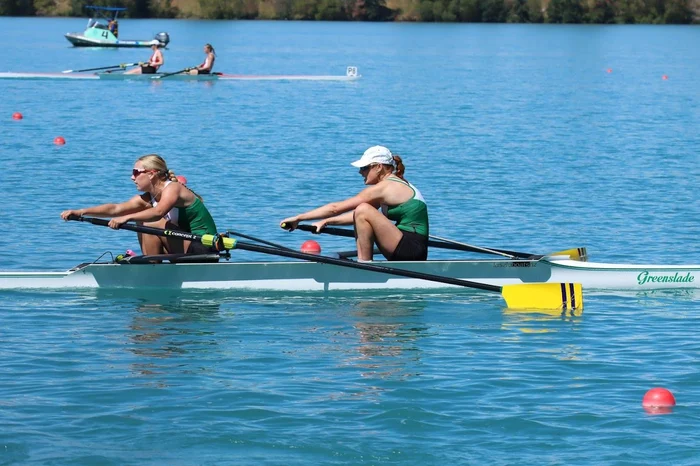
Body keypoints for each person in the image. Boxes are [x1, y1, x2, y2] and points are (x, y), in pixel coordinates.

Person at [280, 146, 429, 262]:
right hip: (407, 245)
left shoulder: (386, 187)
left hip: (412, 249)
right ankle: (365, 264)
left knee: (363, 209)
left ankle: (364, 265)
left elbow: (335, 208)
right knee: (363, 210)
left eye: (364, 168)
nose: (360, 172)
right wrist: (326, 222)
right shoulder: (392, 185)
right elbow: (357, 216)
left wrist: (299, 218)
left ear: (378, 167)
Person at [60, 154, 218, 256]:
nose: (132, 177)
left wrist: (127, 218)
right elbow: (116, 209)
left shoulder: (173, 188)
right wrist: (81, 211)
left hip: (203, 247)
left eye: (136, 172)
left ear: (151, 174)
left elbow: (158, 212)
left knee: (148, 221)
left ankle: (151, 267)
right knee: (143, 220)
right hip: (184, 246)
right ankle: (151, 263)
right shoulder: (149, 197)